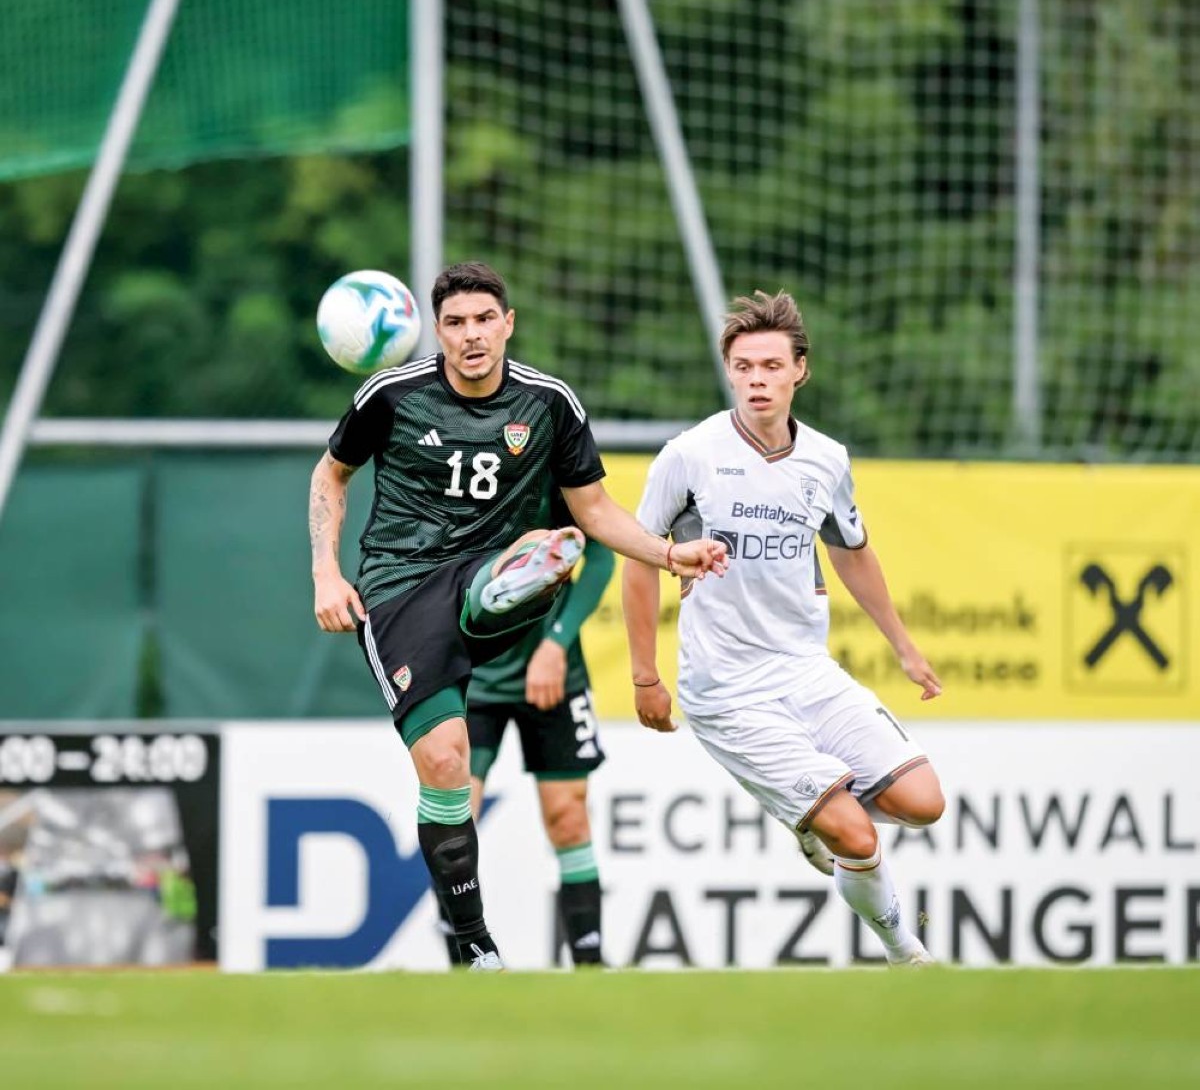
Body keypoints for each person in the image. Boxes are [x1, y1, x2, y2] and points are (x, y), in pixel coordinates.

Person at [309, 260, 726, 972]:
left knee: (544, 546)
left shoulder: (548, 403)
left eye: (483, 320)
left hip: (487, 575)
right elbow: (331, 473)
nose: (471, 335)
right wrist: (325, 572)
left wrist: (667, 554)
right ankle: (475, 946)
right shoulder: (391, 394)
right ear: (436, 331)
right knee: (445, 767)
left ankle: (510, 583)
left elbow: (595, 511)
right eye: (455, 323)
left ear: (508, 324)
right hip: (401, 588)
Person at [622, 289, 946, 967]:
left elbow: (852, 552)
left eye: (771, 366)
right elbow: (640, 558)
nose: (757, 380)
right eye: (743, 367)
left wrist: (905, 647)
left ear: (800, 369)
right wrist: (645, 676)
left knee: (924, 803)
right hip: (727, 691)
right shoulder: (689, 455)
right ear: (728, 371)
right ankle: (905, 953)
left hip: (806, 671)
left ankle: (811, 810)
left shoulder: (826, 458)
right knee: (857, 837)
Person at [438, 505, 613, 969]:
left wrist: (556, 642)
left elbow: (601, 558)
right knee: (456, 817)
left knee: (568, 815)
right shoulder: (459, 479)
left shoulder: (558, 476)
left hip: (555, 676)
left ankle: (590, 966)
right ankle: (464, 961)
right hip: (474, 677)